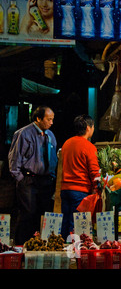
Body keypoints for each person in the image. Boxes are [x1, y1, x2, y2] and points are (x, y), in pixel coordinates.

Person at [8, 105, 58, 245]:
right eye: (48, 119)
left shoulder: (50, 135)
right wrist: (20, 179)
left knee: (43, 215)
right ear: (38, 118)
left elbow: (53, 158)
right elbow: (14, 159)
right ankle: (20, 245)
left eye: (52, 119)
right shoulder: (23, 134)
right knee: (27, 213)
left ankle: (38, 244)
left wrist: (52, 177)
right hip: (28, 180)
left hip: (46, 181)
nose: (51, 122)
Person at [60, 115, 101, 241]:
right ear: (88, 128)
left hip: (65, 189)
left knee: (66, 222)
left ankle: (64, 250)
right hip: (79, 191)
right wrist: (97, 188)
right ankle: (73, 254)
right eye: (93, 127)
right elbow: (94, 171)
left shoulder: (67, 143)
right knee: (76, 224)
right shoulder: (89, 146)